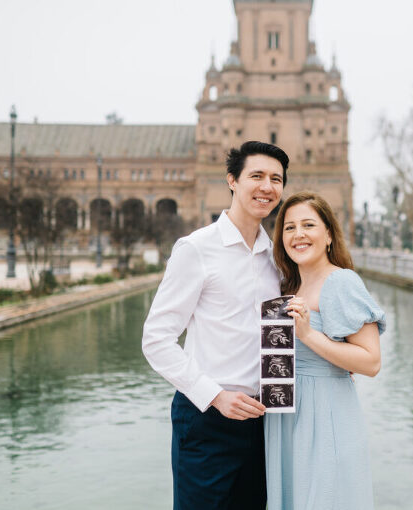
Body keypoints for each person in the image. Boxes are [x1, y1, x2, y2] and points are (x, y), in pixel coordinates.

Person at [141, 141, 289, 510]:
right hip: (207, 417)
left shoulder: (278, 259)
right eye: (256, 176)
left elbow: (279, 338)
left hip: (265, 421)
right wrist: (215, 396)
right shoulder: (196, 248)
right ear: (232, 181)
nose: (267, 186)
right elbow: (156, 339)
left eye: (276, 179)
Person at [266, 191, 385, 510]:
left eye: (308, 225)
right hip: (284, 418)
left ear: (329, 234)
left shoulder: (341, 282)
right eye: (288, 228)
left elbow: (371, 362)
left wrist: (307, 334)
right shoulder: (286, 287)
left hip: (325, 415)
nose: (298, 234)